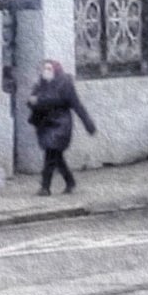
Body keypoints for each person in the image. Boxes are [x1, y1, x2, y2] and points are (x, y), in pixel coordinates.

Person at [27, 57, 91, 195]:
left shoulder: (65, 84)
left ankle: (45, 187)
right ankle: (70, 181)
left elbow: (75, 104)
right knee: (57, 157)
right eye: (44, 69)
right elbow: (31, 100)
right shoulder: (40, 84)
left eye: (49, 69)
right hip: (45, 125)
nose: (45, 71)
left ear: (55, 70)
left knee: (50, 154)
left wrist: (88, 124)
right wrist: (33, 101)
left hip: (60, 124)